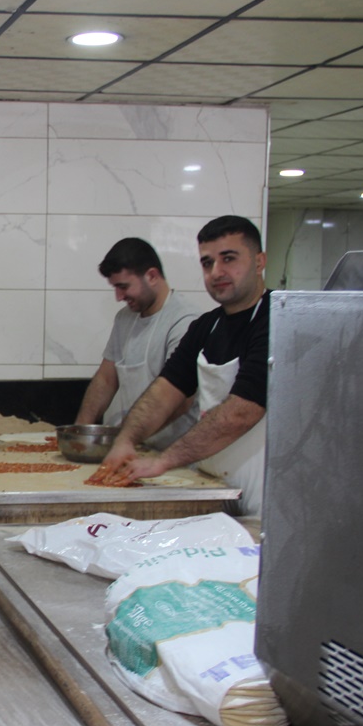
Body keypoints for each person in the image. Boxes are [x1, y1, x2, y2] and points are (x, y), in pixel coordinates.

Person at [101, 216, 271, 515]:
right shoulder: (207, 326)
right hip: (213, 486)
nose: (216, 272)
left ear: (259, 262)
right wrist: (126, 440)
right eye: (207, 263)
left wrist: (163, 461)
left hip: (266, 496)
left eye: (228, 259)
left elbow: (241, 413)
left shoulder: (278, 318)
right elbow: (165, 392)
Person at [74, 238, 200, 450]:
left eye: (123, 286)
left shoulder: (185, 321)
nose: (119, 296)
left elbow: (180, 399)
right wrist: (79, 432)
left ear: (151, 276)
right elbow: (106, 379)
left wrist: (128, 438)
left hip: (171, 454)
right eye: (115, 287)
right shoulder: (125, 318)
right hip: (132, 446)